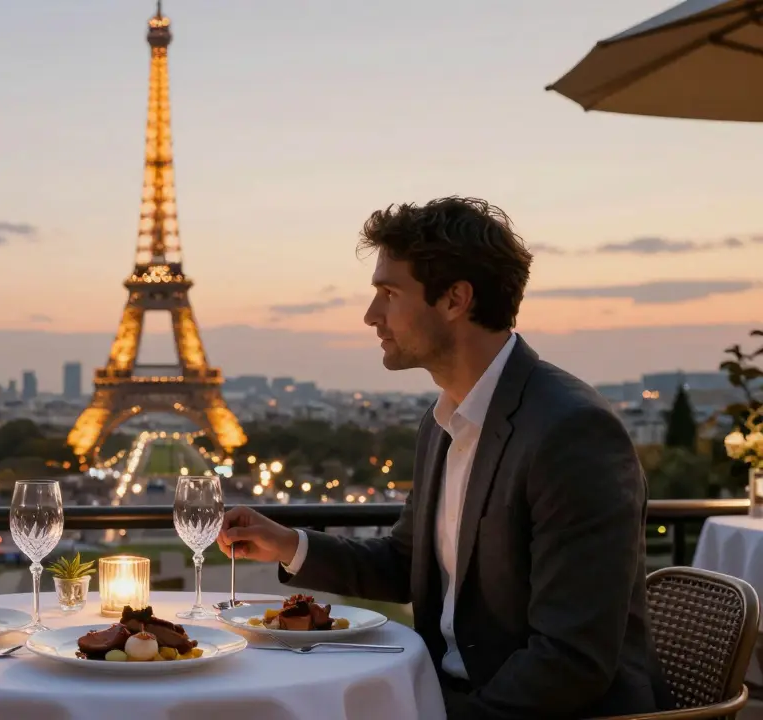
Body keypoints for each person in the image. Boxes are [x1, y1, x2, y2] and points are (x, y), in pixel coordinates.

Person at [218, 198, 670, 719]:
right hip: (452, 695)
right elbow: (408, 564)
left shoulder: (572, 434)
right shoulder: (444, 422)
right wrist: (288, 544)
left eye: (388, 293)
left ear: (455, 299)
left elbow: (571, 661)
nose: (371, 316)